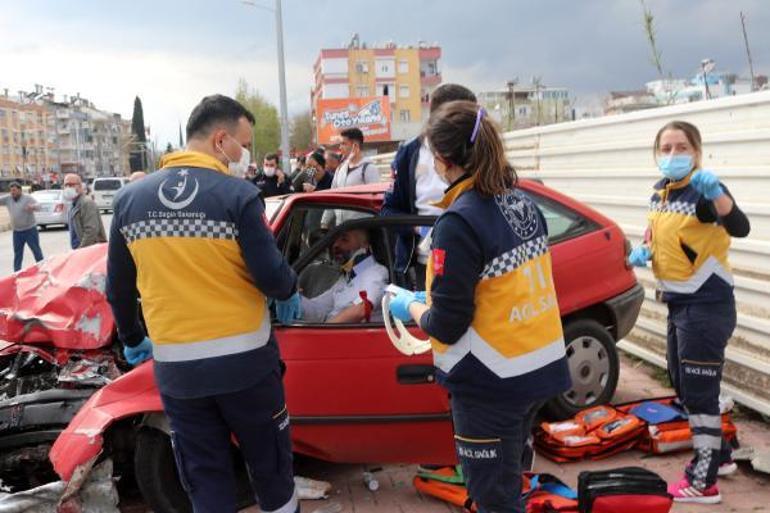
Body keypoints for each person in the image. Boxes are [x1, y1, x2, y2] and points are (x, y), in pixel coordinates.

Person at [106, 94, 300, 513]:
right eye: (243, 143)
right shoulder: (238, 196)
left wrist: (132, 337)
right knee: (271, 469)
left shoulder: (128, 202)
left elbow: (119, 289)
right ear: (220, 140)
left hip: (179, 376)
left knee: (203, 476)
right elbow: (271, 275)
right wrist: (289, 291)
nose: (245, 154)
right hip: (247, 368)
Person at [387, 101, 571, 513]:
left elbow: (447, 327)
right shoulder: (520, 202)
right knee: (511, 484)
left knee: (493, 499)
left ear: (442, 159)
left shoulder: (458, 222)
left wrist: (411, 308)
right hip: (535, 373)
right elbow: (500, 289)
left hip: (491, 384)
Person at [628, 120, 750, 504]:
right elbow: (662, 236)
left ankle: (703, 481)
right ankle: (723, 454)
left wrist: (719, 197)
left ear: (697, 152)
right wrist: (644, 251)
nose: (673, 155)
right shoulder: (661, 194)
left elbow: (740, 226)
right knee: (684, 384)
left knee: (699, 395)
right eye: (665, 148)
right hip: (678, 304)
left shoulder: (704, 190)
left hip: (707, 306)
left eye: (681, 148)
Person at [381, 83, 478, 286]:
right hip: (422, 265)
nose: (473, 125)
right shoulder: (409, 153)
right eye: (464, 118)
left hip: (471, 262)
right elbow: (388, 212)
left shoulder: (476, 150)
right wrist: (419, 228)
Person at [282, 229, 388, 324]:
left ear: (365, 244)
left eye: (344, 240)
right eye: (335, 240)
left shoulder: (376, 272)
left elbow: (362, 309)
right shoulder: (347, 278)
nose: (335, 245)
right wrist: (293, 299)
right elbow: (320, 309)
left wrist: (323, 331)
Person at [321, 128, 380, 229]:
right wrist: (324, 222)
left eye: (344, 144)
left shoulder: (368, 168)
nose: (340, 147)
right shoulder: (340, 169)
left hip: (360, 228)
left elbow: (376, 201)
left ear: (355, 146)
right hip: (340, 228)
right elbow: (332, 196)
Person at [1, 182, 44, 271]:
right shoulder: (8, 199)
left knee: (36, 251)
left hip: (30, 230)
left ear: (20, 190)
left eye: (14, 190)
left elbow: (39, 206)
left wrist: (33, 206)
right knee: (18, 254)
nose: (12, 192)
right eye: (11, 191)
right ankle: (16, 273)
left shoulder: (27, 198)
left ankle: (43, 269)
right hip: (17, 232)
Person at [63, 173, 106, 249]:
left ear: (80, 186)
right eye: (65, 185)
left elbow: (91, 230)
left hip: (91, 250)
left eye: (71, 185)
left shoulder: (86, 203)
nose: (67, 188)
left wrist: (81, 249)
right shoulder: (73, 204)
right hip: (80, 250)